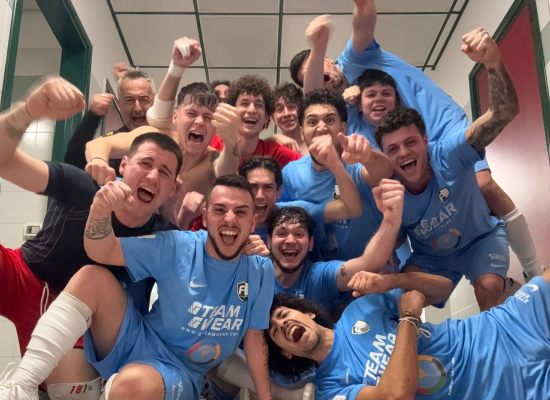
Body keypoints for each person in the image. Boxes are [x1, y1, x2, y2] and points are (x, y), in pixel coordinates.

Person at [291, 1, 542, 280]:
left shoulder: (355, 58)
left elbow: (364, 22)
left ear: (329, 60)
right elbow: (312, 97)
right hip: (409, 152)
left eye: (320, 67)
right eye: (313, 76)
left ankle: (533, 269)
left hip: (442, 128)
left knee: (483, 185)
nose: (324, 79)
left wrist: (359, 9)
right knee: (410, 214)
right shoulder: (349, 116)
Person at [0, 175, 275, 400]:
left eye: (241, 212)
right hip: (138, 337)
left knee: (130, 387)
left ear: (253, 221)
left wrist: (265, 398)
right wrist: (99, 210)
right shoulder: (178, 246)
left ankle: (115, 387)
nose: (229, 219)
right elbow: (103, 250)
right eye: (220, 210)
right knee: (91, 277)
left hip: (178, 367)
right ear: (205, 216)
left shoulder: (259, 269)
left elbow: (254, 336)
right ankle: (22, 384)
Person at [0, 77, 184, 399]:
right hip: (24, 275)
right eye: (145, 163)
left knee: (68, 388)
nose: (153, 176)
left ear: (172, 189)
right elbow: (5, 161)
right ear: (124, 165)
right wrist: (27, 111)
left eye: (165, 173)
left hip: (79, 315)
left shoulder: (165, 238)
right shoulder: (83, 186)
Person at [205, 178, 403, 400]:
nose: (290, 240)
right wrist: (233, 262)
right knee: (201, 334)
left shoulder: (319, 275)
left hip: (310, 377)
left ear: (310, 244)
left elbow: (368, 263)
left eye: (299, 234)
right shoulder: (251, 270)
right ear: (268, 242)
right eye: (282, 233)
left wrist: (390, 221)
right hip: (245, 374)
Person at [375, 26, 522, 310]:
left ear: (425, 141)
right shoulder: (389, 188)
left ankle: (504, 289)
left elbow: (504, 113)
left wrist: (493, 63)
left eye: (410, 142)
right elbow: (398, 237)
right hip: (433, 258)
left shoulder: (450, 153)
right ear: (385, 156)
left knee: (488, 287)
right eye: (393, 149)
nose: (403, 153)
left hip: (481, 240)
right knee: (403, 301)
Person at [267, 267, 550, 400]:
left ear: (307, 313)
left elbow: (443, 288)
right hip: (498, 391)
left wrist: (393, 281)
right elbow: (395, 396)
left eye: (283, 315)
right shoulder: (330, 392)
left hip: (499, 329)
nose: (282, 324)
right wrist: (408, 319)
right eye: (275, 331)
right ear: (286, 352)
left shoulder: (359, 309)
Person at [85, 38, 241, 229]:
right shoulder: (156, 138)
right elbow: (97, 144)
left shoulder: (212, 161)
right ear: (175, 117)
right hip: (116, 224)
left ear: (215, 127)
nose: (199, 122)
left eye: (208, 117)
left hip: (164, 237)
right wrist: (99, 161)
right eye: (191, 113)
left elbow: (227, 170)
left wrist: (232, 141)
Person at [280, 88, 394, 262]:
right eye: (312, 122)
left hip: (367, 267)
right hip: (315, 270)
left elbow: (384, 171)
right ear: (302, 133)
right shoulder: (291, 173)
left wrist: (368, 156)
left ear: (343, 128)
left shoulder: (354, 161)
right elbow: (276, 214)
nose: (322, 127)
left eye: (330, 120)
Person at [64, 67, 156, 172]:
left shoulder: (168, 134)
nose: (137, 108)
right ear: (120, 104)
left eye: (144, 100)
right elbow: (74, 165)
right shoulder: (111, 143)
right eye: (129, 100)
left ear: (155, 102)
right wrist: (92, 116)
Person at [209, 75, 303, 169]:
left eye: (258, 105)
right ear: (232, 110)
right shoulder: (213, 143)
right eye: (244, 103)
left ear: (266, 117)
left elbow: (309, 166)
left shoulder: (275, 152)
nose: (251, 110)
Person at [271, 83, 308, 155]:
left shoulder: (314, 144)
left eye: (291, 107)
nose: (286, 114)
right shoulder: (271, 149)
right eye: (280, 109)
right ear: (273, 118)